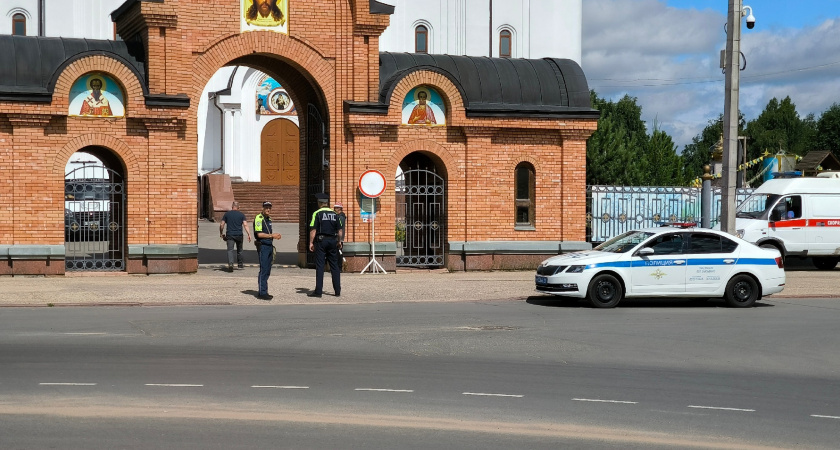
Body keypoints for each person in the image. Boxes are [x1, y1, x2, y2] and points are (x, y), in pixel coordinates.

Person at [308, 193, 343, 297]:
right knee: (334, 266)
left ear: (319, 203)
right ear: (327, 203)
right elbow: (340, 231)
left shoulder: (317, 213)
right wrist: (339, 241)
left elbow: (313, 230)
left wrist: (311, 242)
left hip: (321, 242)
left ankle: (318, 291)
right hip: (332, 241)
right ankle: (337, 291)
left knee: (320, 266)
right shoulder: (335, 214)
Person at [253, 201, 282, 300]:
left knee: (268, 269)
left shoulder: (269, 219)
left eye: (269, 208)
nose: (268, 209)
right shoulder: (259, 218)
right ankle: (262, 292)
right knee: (264, 269)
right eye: (266, 208)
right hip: (263, 246)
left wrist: (274, 236)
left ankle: (264, 290)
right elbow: (259, 234)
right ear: (263, 208)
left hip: (269, 245)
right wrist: (272, 235)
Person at [219, 201, 251, 271]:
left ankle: (231, 264)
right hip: (239, 235)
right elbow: (245, 224)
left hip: (230, 235)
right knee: (240, 250)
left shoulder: (227, 214)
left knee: (230, 250)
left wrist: (221, 233)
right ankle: (240, 265)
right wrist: (249, 234)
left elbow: (222, 224)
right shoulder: (241, 215)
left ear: (232, 206)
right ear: (238, 207)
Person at [333, 201, 347, 267]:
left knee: (338, 253)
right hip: (338, 237)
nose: (334, 209)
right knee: (337, 253)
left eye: (336, 208)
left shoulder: (341, 217)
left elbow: (339, 228)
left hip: (339, 238)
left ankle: (339, 267)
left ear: (339, 208)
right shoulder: (339, 216)